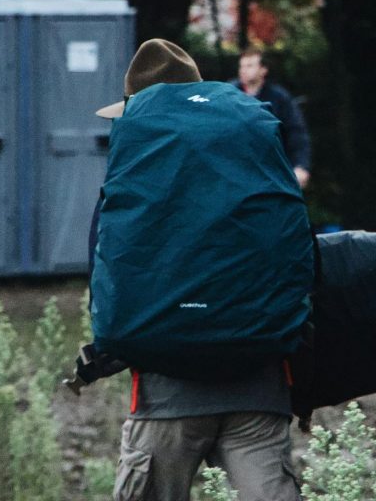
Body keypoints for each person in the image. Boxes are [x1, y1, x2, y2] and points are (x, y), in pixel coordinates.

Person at [94, 39, 301, 501]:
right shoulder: (253, 154)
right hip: (257, 388)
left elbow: (107, 272)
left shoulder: (136, 177)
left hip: (166, 396)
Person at [234, 47, 312, 188]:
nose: (243, 70)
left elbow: (296, 133)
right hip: (237, 169)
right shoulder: (229, 95)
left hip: (271, 171)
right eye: (242, 66)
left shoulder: (279, 98)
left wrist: (301, 166)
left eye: (249, 65)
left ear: (263, 70)